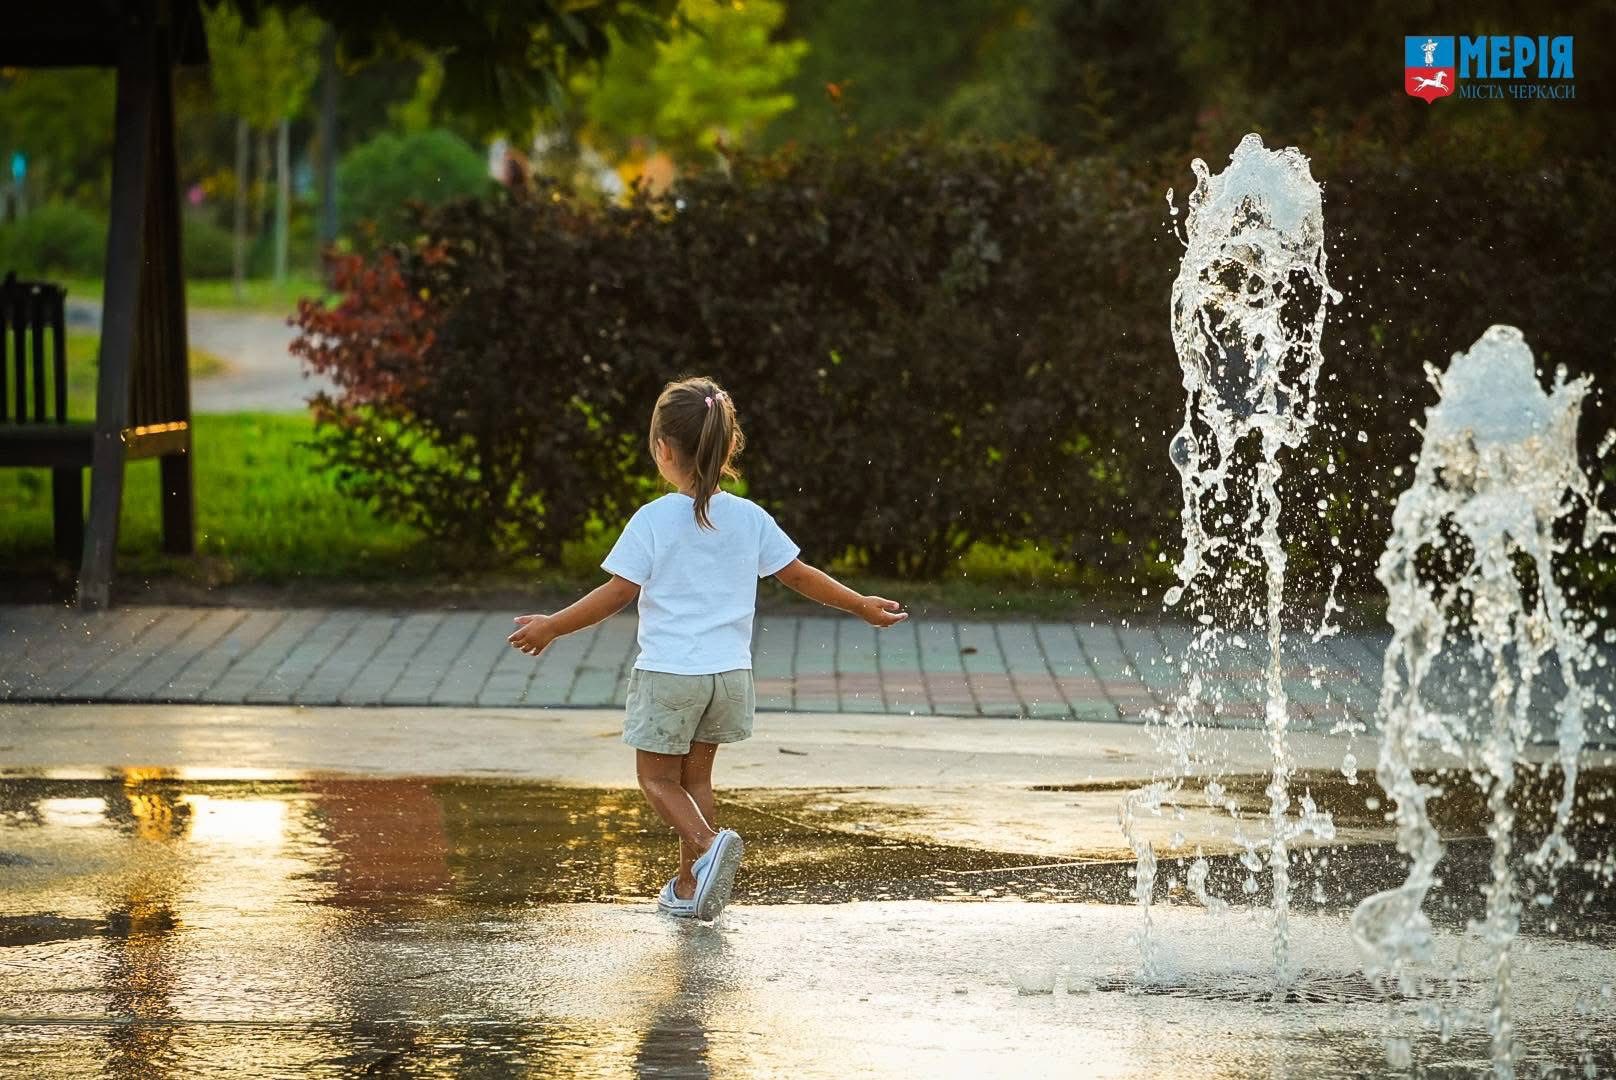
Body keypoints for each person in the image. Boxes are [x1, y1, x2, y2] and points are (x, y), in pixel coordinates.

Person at [507, 376, 907, 920]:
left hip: (671, 677)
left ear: (663, 449)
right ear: (726, 447)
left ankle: (707, 843)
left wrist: (553, 626)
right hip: (729, 679)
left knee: (654, 779)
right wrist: (859, 604)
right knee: (695, 780)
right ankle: (690, 887)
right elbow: (799, 575)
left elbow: (617, 594)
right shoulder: (749, 518)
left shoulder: (652, 520)